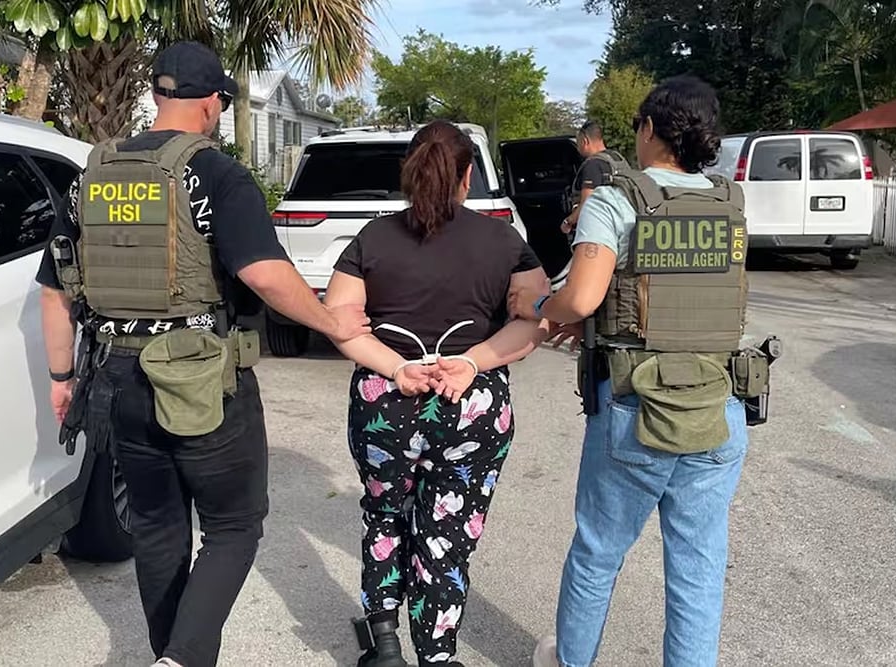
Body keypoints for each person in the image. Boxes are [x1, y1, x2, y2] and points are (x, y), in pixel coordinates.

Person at [35, 41, 370, 667]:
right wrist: (333, 323)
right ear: (213, 104)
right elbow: (265, 274)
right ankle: (183, 658)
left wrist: (61, 378)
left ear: (156, 95)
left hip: (115, 376)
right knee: (234, 525)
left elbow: (54, 291)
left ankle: (171, 655)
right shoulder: (217, 174)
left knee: (157, 527)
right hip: (201, 380)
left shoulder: (92, 174)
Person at [512, 76, 766, 667]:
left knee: (598, 553)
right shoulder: (730, 202)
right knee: (698, 565)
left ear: (649, 128)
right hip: (719, 404)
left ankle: (570, 660)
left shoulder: (616, 199)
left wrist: (537, 306)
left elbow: (581, 297)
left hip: (636, 404)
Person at [322, 120, 552, 667]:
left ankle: (383, 647)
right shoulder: (504, 241)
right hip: (470, 406)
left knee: (383, 514)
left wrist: (398, 368)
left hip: (386, 401)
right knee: (446, 533)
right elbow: (535, 320)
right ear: (467, 175)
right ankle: (438, 655)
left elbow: (339, 321)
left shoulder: (372, 239)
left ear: (410, 171)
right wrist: (472, 361)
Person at [560, 121, 630, 237]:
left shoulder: (592, 165)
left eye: (578, 142)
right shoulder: (617, 159)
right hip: (623, 226)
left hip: (599, 231)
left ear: (585, 141)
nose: (578, 147)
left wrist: (569, 221)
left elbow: (587, 204)